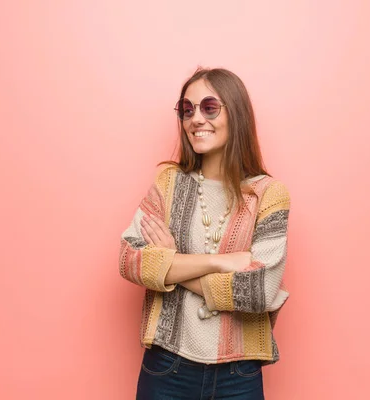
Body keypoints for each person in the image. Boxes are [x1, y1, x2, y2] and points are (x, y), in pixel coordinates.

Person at [119, 67, 291, 400]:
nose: (196, 118)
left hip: (238, 374)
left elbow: (259, 292)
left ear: (235, 112)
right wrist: (221, 263)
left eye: (209, 107)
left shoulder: (269, 195)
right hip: (167, 366)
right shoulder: (168, 184)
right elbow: (129, 258)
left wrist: (170, 265)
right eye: (187, 109)